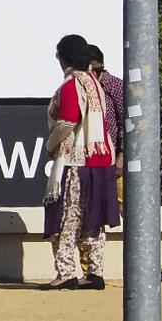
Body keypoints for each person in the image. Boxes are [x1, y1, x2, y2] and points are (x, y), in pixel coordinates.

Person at [42, 34, 119, 289]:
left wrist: (51, 144)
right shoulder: (95, 83)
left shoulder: (72, 84)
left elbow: (68, 120)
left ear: (63, 58)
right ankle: (94, 273)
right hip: (101, 159)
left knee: (67, 216)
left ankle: (65, 272)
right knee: (93, 218)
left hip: (77, 160)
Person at [87, 43, 162, 282]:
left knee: (132, 213)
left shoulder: (115, 86)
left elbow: (128, 122)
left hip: (118, 162)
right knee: (93, 214)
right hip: (96, 160)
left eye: (94, 69)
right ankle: (93, 271)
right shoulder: (86, 88)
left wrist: (123, 154)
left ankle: (151, 266)